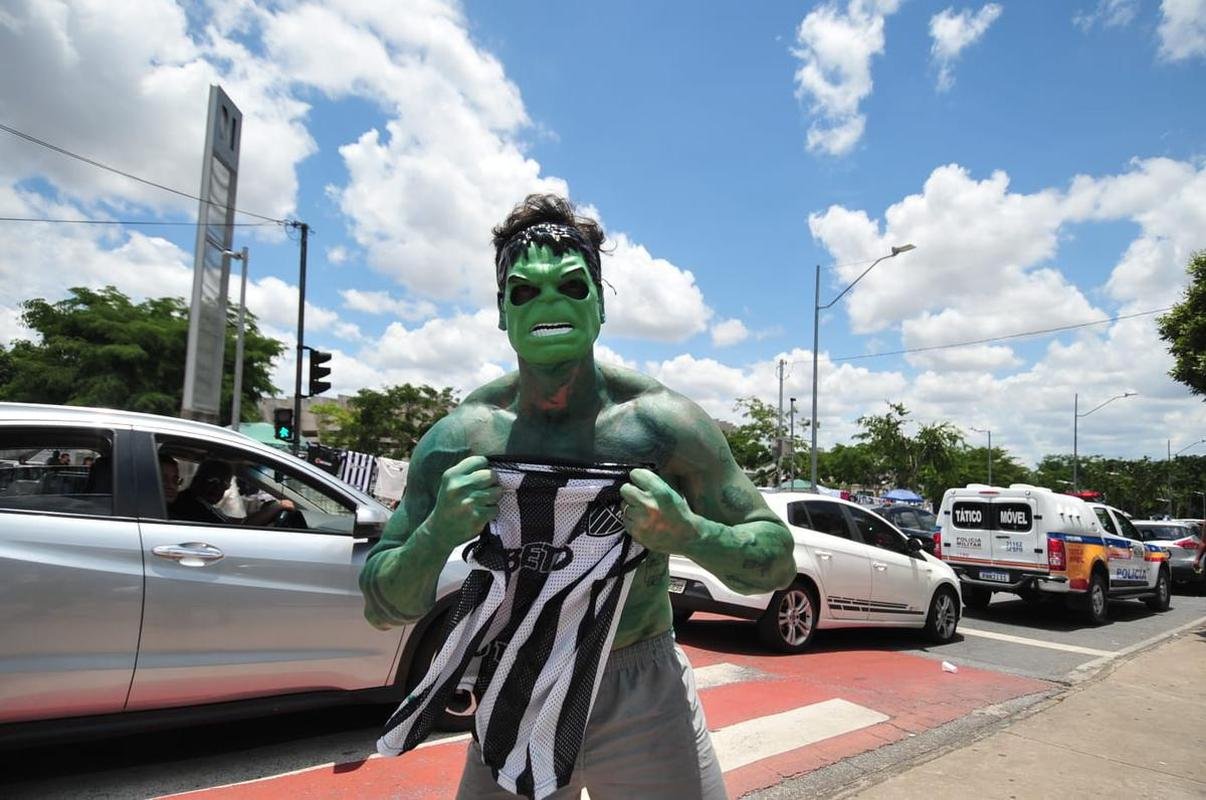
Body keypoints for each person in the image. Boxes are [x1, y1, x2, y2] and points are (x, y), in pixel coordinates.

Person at [360, 194, 795, 799]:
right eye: (525, 291)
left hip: (639, 678)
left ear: (599, 303)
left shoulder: (661, 425)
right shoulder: (462, 437)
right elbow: (383, 603)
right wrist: (436, 534)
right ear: (502, 311)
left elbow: (775, 560)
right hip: (517, 678)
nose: (550, 304)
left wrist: (693, 534)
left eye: (571, 285)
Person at [168, 457, 296, 526]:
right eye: (213, 481)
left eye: (224, 484)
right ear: (197, 480)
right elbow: (241, 527)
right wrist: (277, 506)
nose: (218, 489)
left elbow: (234, 522)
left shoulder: (196, 502)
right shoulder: (192, 504)